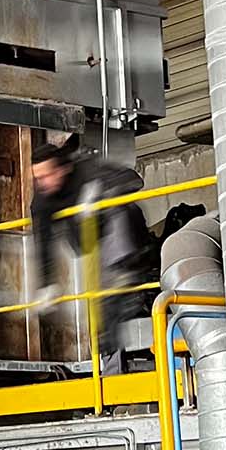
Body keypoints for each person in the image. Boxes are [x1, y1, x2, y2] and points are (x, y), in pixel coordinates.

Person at [29, 136, 157, 348]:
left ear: (63, 169)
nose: (43, 183)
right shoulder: (42, 199)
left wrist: (101, 192)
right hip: (89, 244)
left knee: (125, 208)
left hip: (119, 239)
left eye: (47, 175)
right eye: (38, 178)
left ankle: (127, 276)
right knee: (104, 301)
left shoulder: (86, 170)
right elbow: (43, 242)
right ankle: (107, 346)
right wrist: (47, 284)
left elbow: (133, 179)